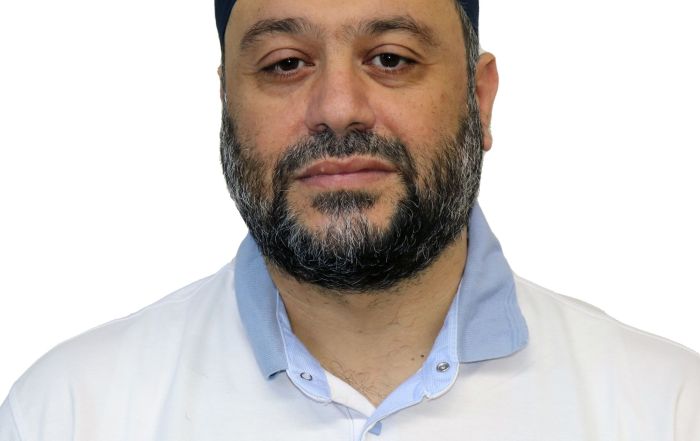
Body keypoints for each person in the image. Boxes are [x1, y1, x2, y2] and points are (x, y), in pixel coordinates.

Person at [1, 0, 698, 439]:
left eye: (391, 58)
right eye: (285, 64)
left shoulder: (668, 408)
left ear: (480, 99)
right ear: (226, 104)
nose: (338, 108)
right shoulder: (67, 413)